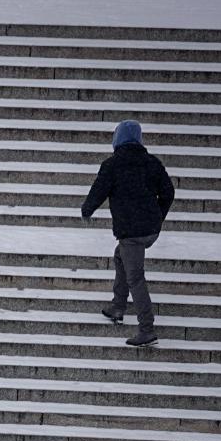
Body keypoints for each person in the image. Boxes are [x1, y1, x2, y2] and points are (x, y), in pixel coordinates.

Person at [81, 120, 175, 347]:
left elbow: (98, 190)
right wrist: (157, 217)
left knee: (135, 278)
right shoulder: (152, 162)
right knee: (120, 256)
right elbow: (168, 192)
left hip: (131, 232)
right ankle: (118, 306)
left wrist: (87, 210)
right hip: (150, 230)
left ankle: (147, 330)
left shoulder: (113, 165)